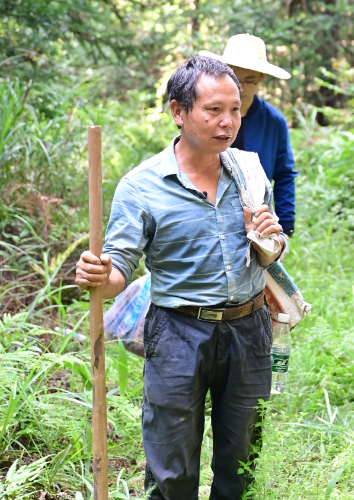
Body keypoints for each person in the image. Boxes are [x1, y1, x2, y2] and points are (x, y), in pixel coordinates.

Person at [75, 55, 285, 499]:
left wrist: (271, 241)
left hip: (249, 330)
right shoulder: (141, 186)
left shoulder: (249, 170)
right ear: (178, 111)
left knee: (241, 463)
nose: (227, 121)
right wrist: (100, 273)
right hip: (177, 332)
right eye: (213, 110)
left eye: (235, 108)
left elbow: (271, 250)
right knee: (171, 469)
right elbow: (118, 268)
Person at [200, 33, 297, 237]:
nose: (240, 88)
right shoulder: (205, 115)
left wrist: (286, 227)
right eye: (235, 79)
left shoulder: (273, 121)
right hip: (209, 218)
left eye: (249, 81)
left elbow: (284, 174)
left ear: (261, 78)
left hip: (258, 222)